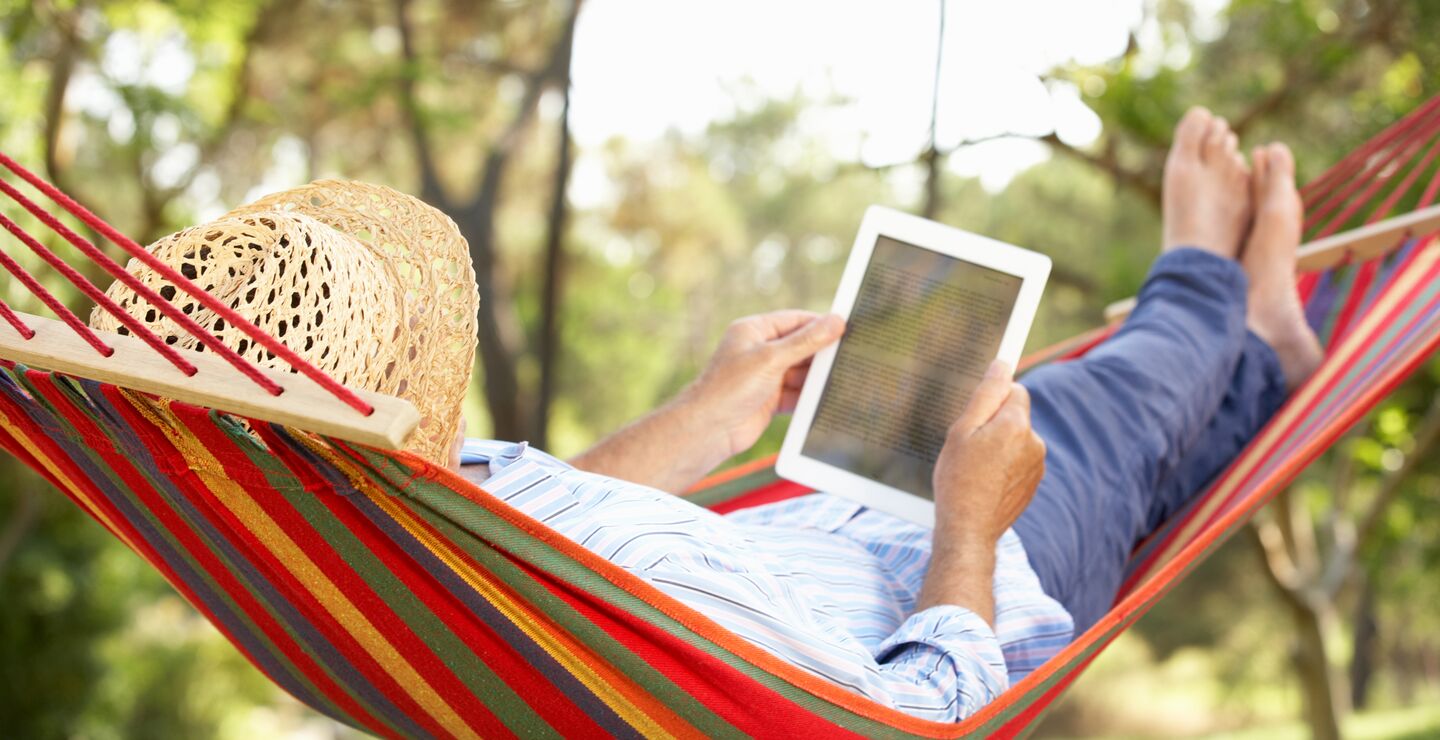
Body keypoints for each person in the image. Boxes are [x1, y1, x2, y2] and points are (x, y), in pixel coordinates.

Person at [96, 107, 1322, 723]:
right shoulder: (416, 555)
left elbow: (551, 548)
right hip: (973, 570)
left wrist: (705, 417)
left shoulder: (373, 545)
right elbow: (919, 720)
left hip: (830, 517)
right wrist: (966, 522)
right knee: (1090, 404)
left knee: (1135, 454)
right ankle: (1207, 282)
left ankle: (1265, 353)